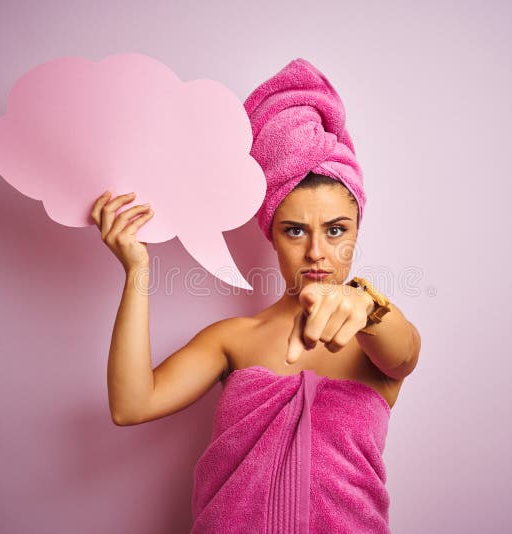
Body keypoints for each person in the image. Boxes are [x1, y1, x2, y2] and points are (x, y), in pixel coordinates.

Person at [90, 59, 420, 533]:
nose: (316, 252)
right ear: (271, 234)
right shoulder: (233, 340)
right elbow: (131, 404)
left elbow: (405, 353)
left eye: (335, 230)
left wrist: (366, 306)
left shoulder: (378, 339)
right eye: (295, 230)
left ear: (356, 231)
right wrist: (137, 270)